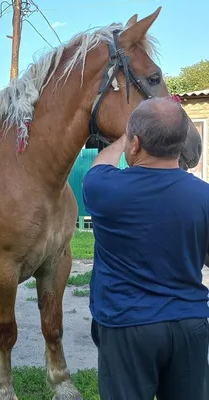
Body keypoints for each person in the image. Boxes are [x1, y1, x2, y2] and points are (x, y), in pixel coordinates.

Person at [82, 97, 209, 400]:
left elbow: (102, 163)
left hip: (126, 326)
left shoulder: (103, 188)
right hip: (189, 325)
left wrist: (122, 138)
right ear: (180, 146)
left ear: (135, 144)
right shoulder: (204, 196)